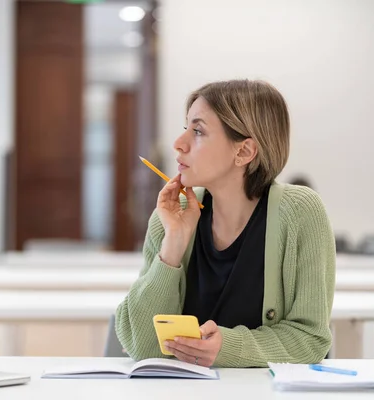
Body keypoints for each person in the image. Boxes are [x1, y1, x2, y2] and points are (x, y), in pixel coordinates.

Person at [115, 80, 335, 368]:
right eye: (185, 129)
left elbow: (310, 339)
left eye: (198, 131)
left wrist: (228, 347)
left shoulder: (301, 213)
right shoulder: (171, 217)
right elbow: (142, 346)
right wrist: (173, 246)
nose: (178, 144)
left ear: (244, 152)